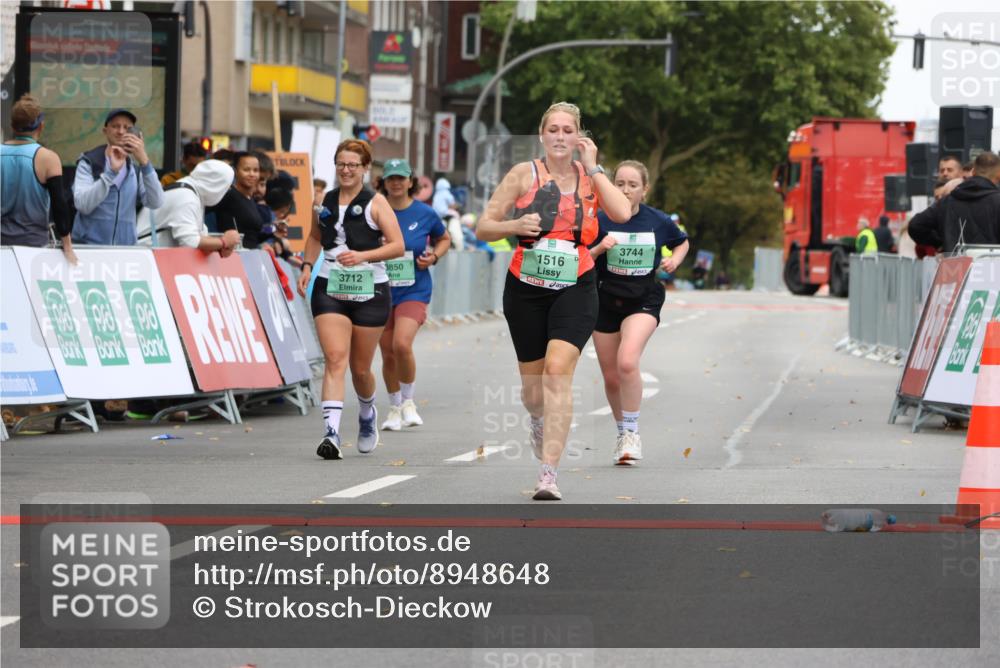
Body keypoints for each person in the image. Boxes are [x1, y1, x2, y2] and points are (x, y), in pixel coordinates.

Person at [475, 102, 631, 501]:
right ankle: (538, 419)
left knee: (558, 371)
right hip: (525, 288)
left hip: (576, 284)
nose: (561, 137)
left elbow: (623, 212)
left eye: (568, 130)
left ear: (579, 135)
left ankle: (548, 475)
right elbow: (483, 227)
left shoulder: (591, 177)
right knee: (533, 391)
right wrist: (514, 224)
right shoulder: (522, 174)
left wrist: (594, 165)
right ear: (542, 135)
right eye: (554, 130)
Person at [297, 140, 404, 460]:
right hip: (330, 286)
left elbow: (397, 246)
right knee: (334, 358)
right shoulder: (323, 200)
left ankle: (367, 413)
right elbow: (315, 236)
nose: (346, 170)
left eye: (353, 165)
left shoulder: (377, 203)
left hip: (371, 289)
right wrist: (306, 266)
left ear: (364, 169)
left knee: (360, 369)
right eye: (341, 164)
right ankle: (330, 433)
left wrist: (363, 256)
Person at [588, 160, 688, 466]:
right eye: (619, 183)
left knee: (627, 362)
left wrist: (675, 261)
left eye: (633, 185)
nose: (626, 190)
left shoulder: (657, 220)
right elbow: (582, 258)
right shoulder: (599, 220)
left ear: (645, 189)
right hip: (604, 299)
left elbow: (682, 241)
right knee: (611, 377)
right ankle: (622, 433)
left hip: (643, 299)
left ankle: (632, 433)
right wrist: (599, 249)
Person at [375, 158, 451, 431]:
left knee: (401, 345)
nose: (396, 182)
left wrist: (434, 257)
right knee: (387, 353)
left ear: (410, 182)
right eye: (391, 178)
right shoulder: (374, 210)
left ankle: (408, 402)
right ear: (383, 182)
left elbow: (444, 238)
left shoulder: (425, 213)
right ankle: (394, 407)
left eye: (401, 178)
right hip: (379, 289)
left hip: (414, 289)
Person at [71, 108, 164, 246]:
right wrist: (110, 174)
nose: (121, 131)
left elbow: (156, 202)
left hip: (124, 252)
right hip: (88, 248)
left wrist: (145, 162)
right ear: (105, 131)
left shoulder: (136, 168)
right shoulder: (89, 162)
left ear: (136, 134)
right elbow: (83, 205)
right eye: (115, 126)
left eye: (127, 128)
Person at [1, 94, 76, 263]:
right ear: (41, 126)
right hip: (34, 246)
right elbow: (59, 205)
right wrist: (68, 246)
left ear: (13, 126)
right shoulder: (48, 158)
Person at [138, 159, 240, 254]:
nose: (226, 192)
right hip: (146, 257)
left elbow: (200, 236)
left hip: (152, 254)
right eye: (226, 187)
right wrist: (223, 242)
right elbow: (190, 242)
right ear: (216, 185)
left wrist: (219, 247)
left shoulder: (191, 191)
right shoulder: (187, 198)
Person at [908, 151, 1000, 252]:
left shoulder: (947, 201)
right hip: (991, 265)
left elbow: (915, 225)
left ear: (973, 172)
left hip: (955, 265)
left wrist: (940, 243)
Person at [210, 152, 265, 249]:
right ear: (235, 171)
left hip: (251, 257)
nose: (252, 174)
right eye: (246, 170)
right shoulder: (228, 195)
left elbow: (252, 235)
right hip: (233, 257)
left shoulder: (250, 199)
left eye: (256, 170)